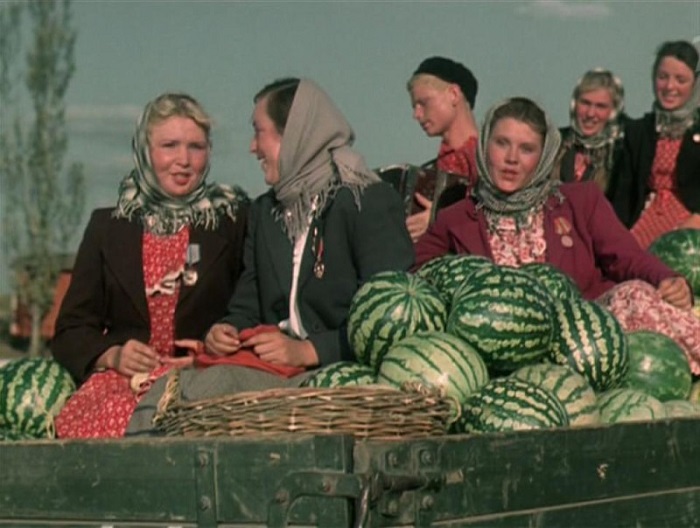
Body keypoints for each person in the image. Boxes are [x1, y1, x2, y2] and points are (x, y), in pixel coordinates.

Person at [124, 78, 414, 435]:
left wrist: (309, 351)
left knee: (206, 390)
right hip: (272, 370)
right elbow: (247, 304)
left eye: (258, 132)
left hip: (337, 376)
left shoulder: (364, 201)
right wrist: (226, 331)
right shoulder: (266, 212)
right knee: (165, 394)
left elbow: (393, 317)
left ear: (293, 135)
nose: (253, 147)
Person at [414, 96, 699, 374]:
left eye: (527, 149)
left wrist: (667, 279)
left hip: (586, 343)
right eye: (502, 143)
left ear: (544, 155)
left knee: (635, 294)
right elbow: (416, 278)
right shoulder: (457, 218)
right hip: (502, 352)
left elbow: (627, 256)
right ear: (485, 144)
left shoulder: (579, 201)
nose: (512, 159)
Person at [51, 93, 249, 438]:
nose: (183, 160)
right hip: (124, 385)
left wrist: (215, 346)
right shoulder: (108, 228)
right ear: (144, 150)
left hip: (206, 381)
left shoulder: (233, 221)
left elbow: (255, 306)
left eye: (196, 147)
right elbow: (71, 331)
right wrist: (113, 356)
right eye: (169, 146)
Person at [610, 40, 700, 247]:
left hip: (692, 224)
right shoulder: (639, 131)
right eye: (663, 77)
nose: (670, 87)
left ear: (695, 83)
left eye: (680, 80)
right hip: (645, 218)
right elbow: (623, 195)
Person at [405, 56, 480, 241]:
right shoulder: (435, 166)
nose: (416, 114)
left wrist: (439, 219)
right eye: (415, 106)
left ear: (453, 94)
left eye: (424, 103)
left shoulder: (487, 157)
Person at [554, 68, 627, 194]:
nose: (590, 113)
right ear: (574, 104)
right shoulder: (555, 143)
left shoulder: (621, 154)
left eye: (600, 106)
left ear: (614, 112)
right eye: (585, 103)